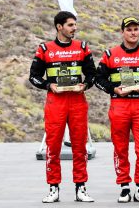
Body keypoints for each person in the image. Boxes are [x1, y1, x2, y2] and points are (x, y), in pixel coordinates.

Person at [95, 17, 139, 203]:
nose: (133, 32)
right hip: (119, 105)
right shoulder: (110, 54)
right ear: (122, 32)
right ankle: (124, 187)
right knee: (120, 148)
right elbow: (98, 79)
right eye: (129, 29)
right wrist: (113, 89)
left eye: (136, 29)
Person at [29, 11, 96, 203]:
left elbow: (92, 75)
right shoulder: (44, 49)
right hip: (55, 102)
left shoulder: (82, 47)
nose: (74, 28)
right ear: (59, 27)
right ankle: (53, 188)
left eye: (75, 25)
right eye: (70, 25)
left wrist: (85, 85)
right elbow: (33, 76)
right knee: (53, 146)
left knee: (79, 146)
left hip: (77, 101)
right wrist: (49, 85)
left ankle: (81, 188)